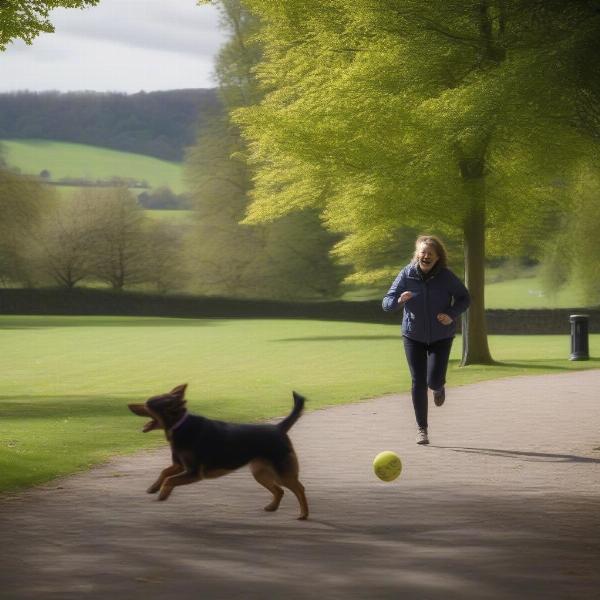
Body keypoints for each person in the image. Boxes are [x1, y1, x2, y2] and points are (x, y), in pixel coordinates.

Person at [382, 235, 470, 445]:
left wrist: (451, 313)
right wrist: (398, 301)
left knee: (433, 380)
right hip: (413, 336)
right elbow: (386, 302)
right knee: (418, 382)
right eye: (422, 252)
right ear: (417, 255)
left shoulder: (446, 277)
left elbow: (464, 298)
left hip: (441, 336)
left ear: (438, 257)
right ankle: (422, 429)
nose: (426, 256)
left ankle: (439, 387)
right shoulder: (407, 274)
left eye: (430, 253)